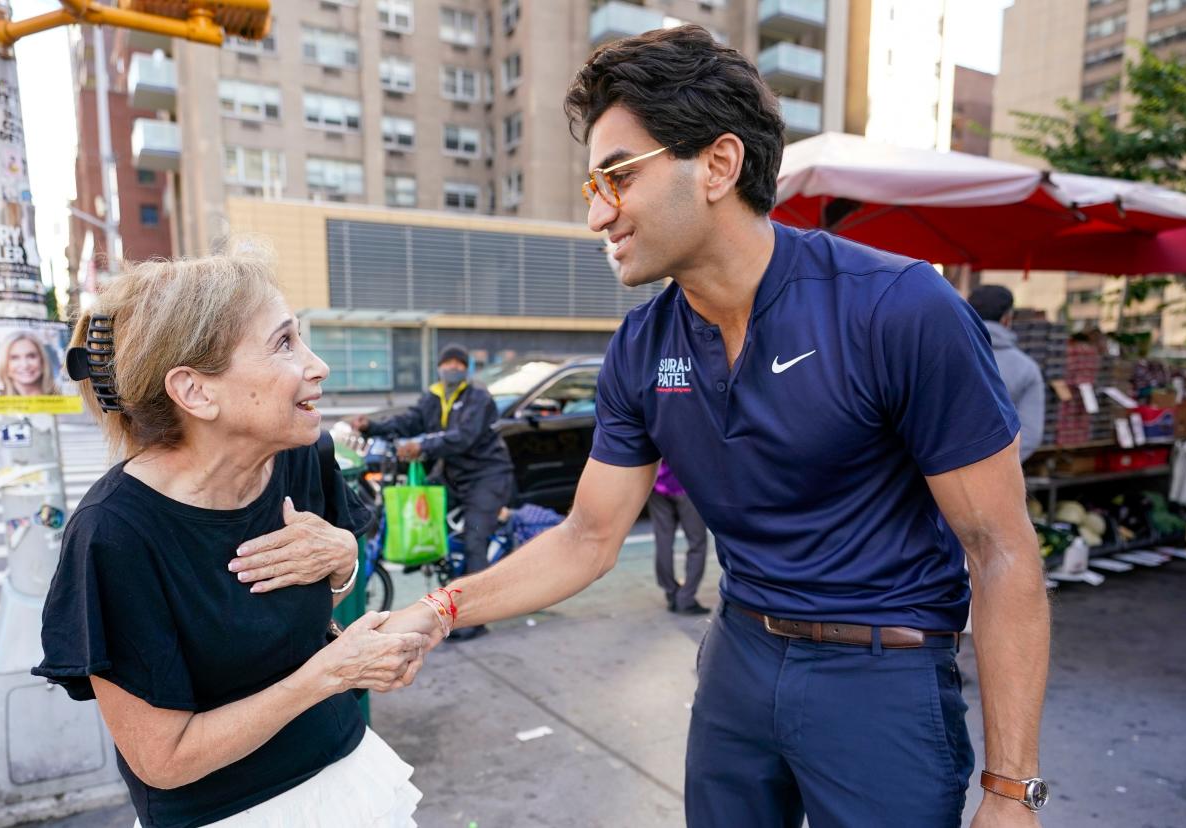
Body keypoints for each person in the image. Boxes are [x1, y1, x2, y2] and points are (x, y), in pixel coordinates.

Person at [380, 25, 1050, 828]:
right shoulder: (642, 342)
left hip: (882, 673)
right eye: (592, 186)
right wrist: (441, 608)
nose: (598, 215)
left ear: (719, 165)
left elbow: (1000, 548)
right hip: (738, 655)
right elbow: (589, 537)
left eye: (617, 177)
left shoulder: (897, 308)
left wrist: (1012, 791)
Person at [32, 245, 429, 827]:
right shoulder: (113, 535)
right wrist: (329, 674)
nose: (318, 366)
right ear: (195, 391)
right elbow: (161, 759)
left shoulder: (302, 455)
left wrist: (344, 560)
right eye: (284, 343)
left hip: (350, 771)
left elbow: (309, 606)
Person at [352, 343, 515, 641]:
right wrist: (371, 427)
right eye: (447, 362)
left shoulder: (478, 397)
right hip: (452, 475)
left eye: (458, 363)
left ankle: (475, 619)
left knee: (474, 540)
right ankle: (442, 566)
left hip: (486, 476)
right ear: (439, 366)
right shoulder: (433, 396)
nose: (452, 367)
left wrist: (423, 446)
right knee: (421, 510)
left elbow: (463, 437)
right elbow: (408, 421)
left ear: (466, 368)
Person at [968, 284, 1046, 461]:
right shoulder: (1026, 368)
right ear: (1007, 318)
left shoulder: (939, 354)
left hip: (930, 475)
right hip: (997, 477)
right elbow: (1030, 434)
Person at [647, 459, 709, 614]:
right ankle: (686, 598)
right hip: (686, 485)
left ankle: (671, 592)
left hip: (657, 484)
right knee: (697, 543)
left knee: (663, 541)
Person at [0, 330, 58, 396]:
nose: (25, 365)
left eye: (31, 356)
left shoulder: (63, 398)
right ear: (4, 364)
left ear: (42, 360)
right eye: (15, 358)